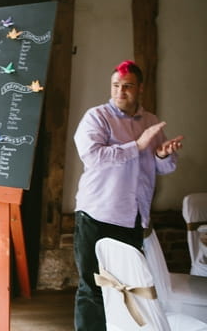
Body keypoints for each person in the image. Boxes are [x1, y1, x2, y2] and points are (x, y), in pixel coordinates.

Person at [72, 60, 184, 331]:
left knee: (128, 287)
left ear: (140, 88)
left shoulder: (151, 121)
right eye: (115, 86)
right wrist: (138, 145)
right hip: (97, 214)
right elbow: (94, 156)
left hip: (133, 218)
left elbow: (162, 167)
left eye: (127, 86)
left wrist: (162, 154)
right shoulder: (96, 117)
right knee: (94, 288)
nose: (120, 92)